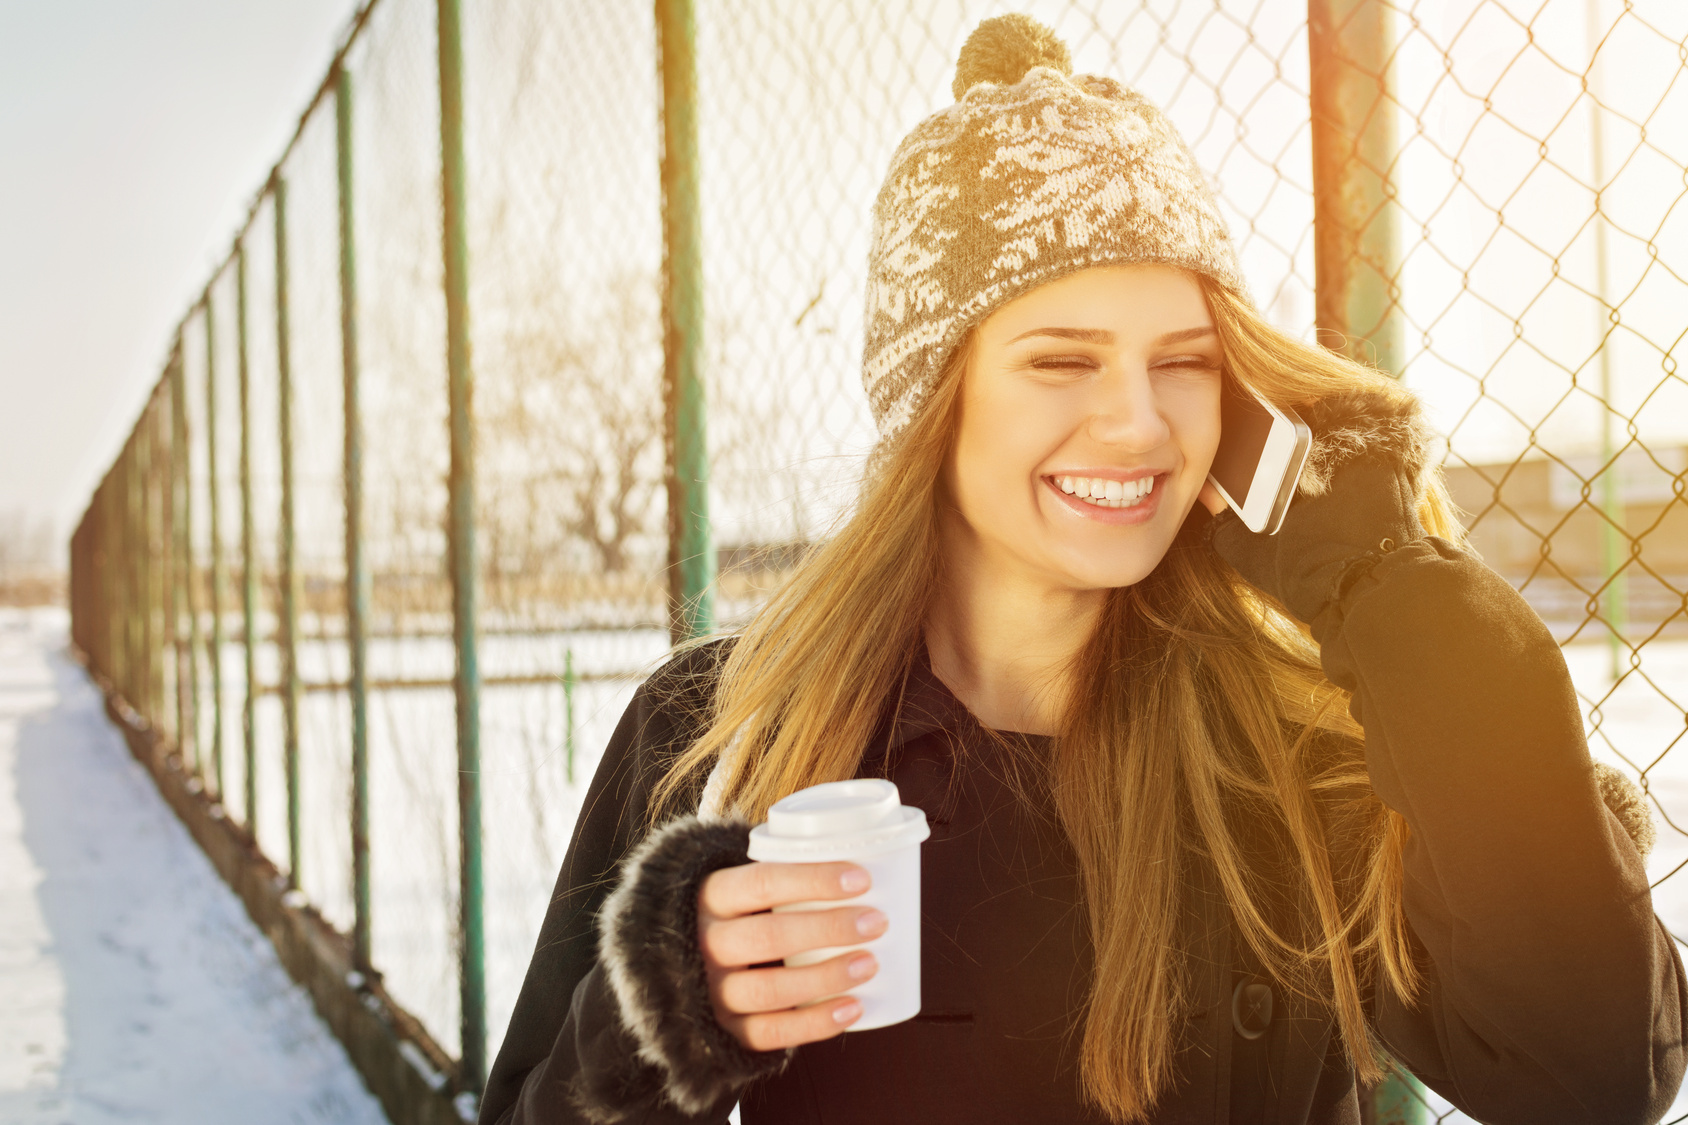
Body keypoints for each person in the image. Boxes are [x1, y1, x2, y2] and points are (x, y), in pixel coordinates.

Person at [479, 15, 1683, 1125]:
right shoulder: (725, 732)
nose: (1137, 426)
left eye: (1183, 361)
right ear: (932, 405)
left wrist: (1383, 579)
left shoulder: (1297, 752)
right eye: (1060, 360)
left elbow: (1590, 1074)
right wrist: (662, 1017)